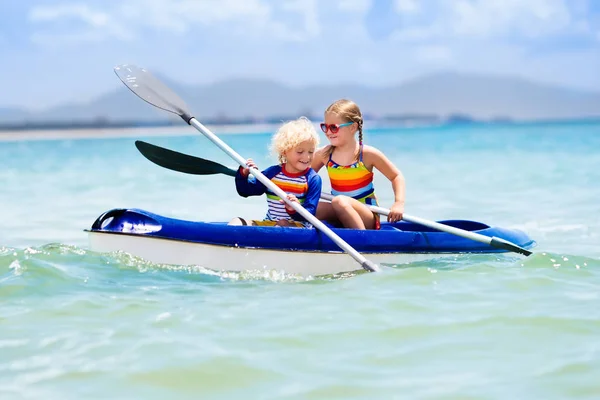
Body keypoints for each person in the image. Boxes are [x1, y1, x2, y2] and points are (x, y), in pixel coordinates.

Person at [311, 99, 405, 230]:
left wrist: (398, 203)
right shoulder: (324, 154)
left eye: (333, 127)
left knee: (339, 201)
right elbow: (303, 178)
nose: (328, 132)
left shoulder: (367, 154)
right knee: (306, 207)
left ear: (352, 127)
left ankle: (363, 240)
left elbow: (396, 176)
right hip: (339, 210)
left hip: (367, 215)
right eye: (324, 127)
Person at [230, 116, 322, 227]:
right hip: (270, 223)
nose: (307, 157)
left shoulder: (313, 179)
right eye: (300, 151)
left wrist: (294, 209)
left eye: (311, 152)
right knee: (236, 222)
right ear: (284, 152)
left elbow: (310, 213)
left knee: (282, 223)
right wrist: (243, 175)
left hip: (298, 227)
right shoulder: (272, 173)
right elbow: (245, 191)